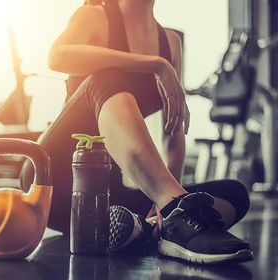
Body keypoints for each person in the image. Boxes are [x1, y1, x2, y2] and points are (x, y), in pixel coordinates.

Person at [20, 0, 253, 264]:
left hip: (109, 196)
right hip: (56, 181)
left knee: (234, 193)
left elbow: (172, 130)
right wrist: (155, 64)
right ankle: (167, 215)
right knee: (105, 76)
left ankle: (154, 227)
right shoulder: (94, 15)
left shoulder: (170, 42)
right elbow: (57, 56)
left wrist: (162, 205)